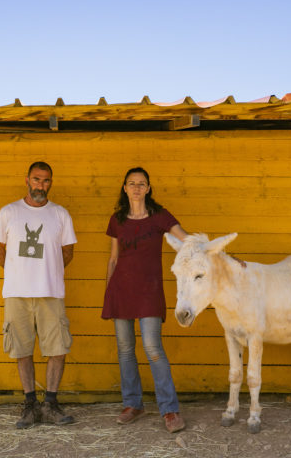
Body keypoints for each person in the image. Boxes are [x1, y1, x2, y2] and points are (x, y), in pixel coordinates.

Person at [102, 166, 188, 433]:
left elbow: (187, 240)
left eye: (142, 183)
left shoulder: (159, 216)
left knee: (153, 348)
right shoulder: (117, 219)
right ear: (124, 187)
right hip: (121, 290)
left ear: (148, 188)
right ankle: (132, 404)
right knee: (125, 349)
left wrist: (222, 255)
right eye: (132, 183)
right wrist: (108, 292)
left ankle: (170, 409)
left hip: (150, 291)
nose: (137, 187)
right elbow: (114, 257)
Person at [0, 161, 77, 429]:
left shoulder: (60, 215)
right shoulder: (8, 213)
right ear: (26, 179)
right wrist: (19, 272)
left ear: (51, 182)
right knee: (22, 349)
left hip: (50, 293)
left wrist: (46, 273)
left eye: (46, 180)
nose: (41, 185)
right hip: (17, 293)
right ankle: (30, 406)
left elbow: (68, 253)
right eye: (37, 179)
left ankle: (50, 404)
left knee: (58, 348)